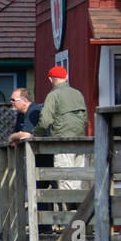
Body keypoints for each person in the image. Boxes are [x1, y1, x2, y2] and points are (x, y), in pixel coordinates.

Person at [30, 66, 89, 198]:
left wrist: (35, 134)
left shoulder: (53, 95)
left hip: (62, 144)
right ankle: (80, 213)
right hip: (81, 143)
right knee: (79, 179)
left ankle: (69, 215)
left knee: (66, 179)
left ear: (50, 79)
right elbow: (85, 119)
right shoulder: (78, 94)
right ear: (66, 77)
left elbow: (45, 121)